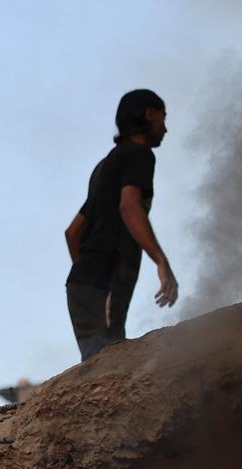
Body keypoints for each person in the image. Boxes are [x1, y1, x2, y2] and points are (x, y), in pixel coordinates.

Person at [63, 89, 178, 361]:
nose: (166, 128)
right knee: (110, 364)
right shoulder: (140, 155)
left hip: (82, 284)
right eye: (163, 118)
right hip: (103, 282)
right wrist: (160, 260)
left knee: (99, 362)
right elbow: (129, 206)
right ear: (149, 114)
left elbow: (73, 232)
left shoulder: (105, 166)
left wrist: (87, 275)